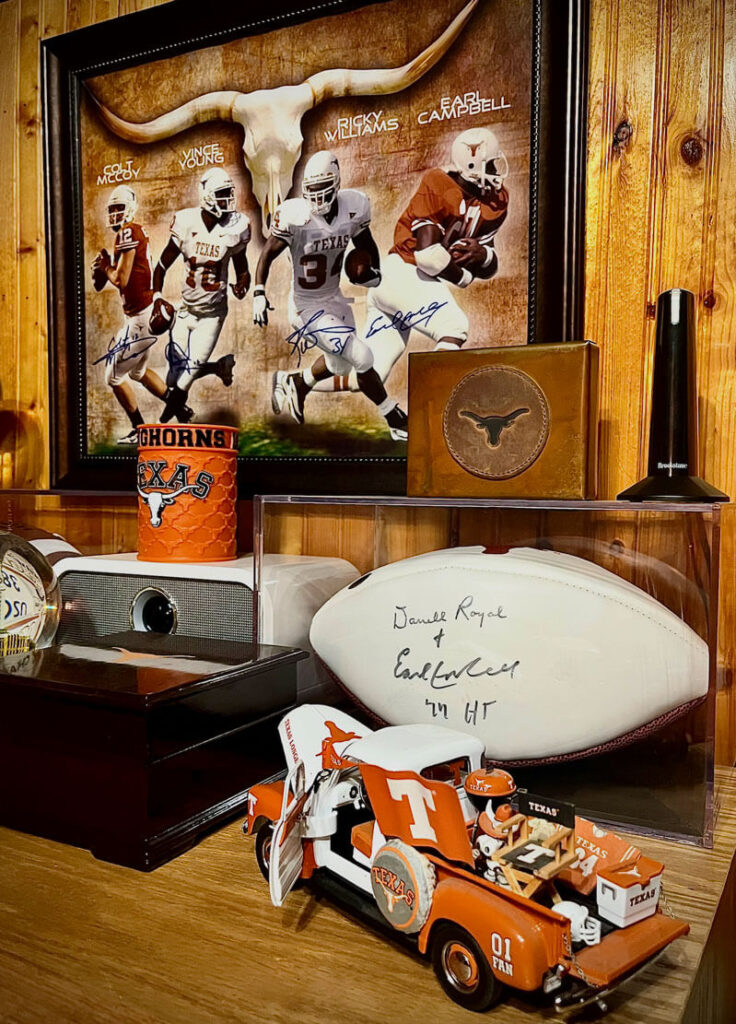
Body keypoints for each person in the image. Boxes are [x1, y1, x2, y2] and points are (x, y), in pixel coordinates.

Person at [317, 126, 510, 396]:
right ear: (471, 166)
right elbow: (428, 257)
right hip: (403, 272)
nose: (495, 172)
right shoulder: (439, 184)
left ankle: (297, 382)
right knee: (454, 326)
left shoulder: (494, 202)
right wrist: (465, 277)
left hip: (398, 284)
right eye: (489, 165)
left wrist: (484, 255)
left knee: (370, 376)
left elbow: (489, 265)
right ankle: (431, 401)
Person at [252, 150, 408, 441]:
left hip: (334, 298)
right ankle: (394, 417)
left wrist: (372, 272)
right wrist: (258, 292)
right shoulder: (295, 216)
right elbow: (267, 254)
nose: (316, 195)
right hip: (305, 306)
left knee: (339, 365)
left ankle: (297, 382)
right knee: (362, 356)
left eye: (322, 187)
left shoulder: (354, 206)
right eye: (311, 189)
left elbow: (365, 244)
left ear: (336, 184)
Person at [153, 167, 251, 423]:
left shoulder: (236, 227)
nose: (227, 199)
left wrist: (243, 284)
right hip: (185, 311)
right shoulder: (187, 223)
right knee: (172, 378)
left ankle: (162, 425)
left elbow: (242, 270)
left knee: (184, 381)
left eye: (228, 193)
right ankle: (219, 367)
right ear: (207, 197)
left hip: (212, 316)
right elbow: (161, 266)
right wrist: (156, 298)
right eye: (221, 194)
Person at [92, 186, 172, 444]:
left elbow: (121, 279)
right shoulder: (133, 231)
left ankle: (139, 430)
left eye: (120, 208)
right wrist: (104, 271)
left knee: (113, 376)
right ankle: (182, 409)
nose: (115, 214)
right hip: (140, 314)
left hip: (140, 317)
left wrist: (106, 267)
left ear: (130, 209)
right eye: (112, 209)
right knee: (138, 372)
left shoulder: (127, 232)